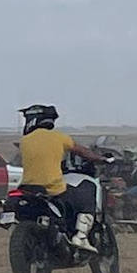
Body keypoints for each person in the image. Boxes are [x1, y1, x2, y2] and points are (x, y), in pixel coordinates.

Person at [18, 105, 106, 252]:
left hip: (27, 188)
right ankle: (81, 236)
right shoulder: (59, 137)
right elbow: (83, 151)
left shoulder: (24, 141)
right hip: (52, 189)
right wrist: (100, 158)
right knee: (87, 192)